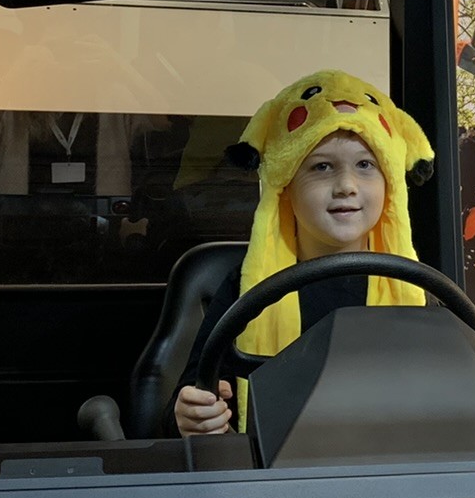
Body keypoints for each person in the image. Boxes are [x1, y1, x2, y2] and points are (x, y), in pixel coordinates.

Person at [175, 69, 435, 436]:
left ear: (389, 182)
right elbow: (193, 398)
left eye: (365, 165)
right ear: (285, 185)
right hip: (273, 470)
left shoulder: (419, 294)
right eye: (322, 166)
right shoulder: (247, 292)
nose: (346, 186)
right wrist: (195, 417)